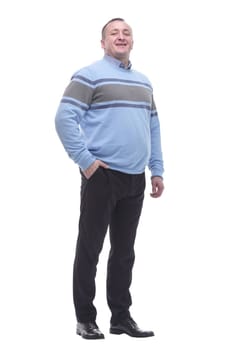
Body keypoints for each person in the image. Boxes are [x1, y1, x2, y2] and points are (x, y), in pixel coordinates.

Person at [55, 17, 164, 340]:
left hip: (135, 178)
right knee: (90, 248)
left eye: (126, 32)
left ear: (133, 41)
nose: (121, 36)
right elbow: (63, 118)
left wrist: (156, 168)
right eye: (113, 33)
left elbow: (153, 126)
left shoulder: (144, 83)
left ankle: (121, 317)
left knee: (124, 251)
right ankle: (85, 319)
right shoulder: (89, 76)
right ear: (102, 43)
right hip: (102, 175)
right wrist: (86, 161)